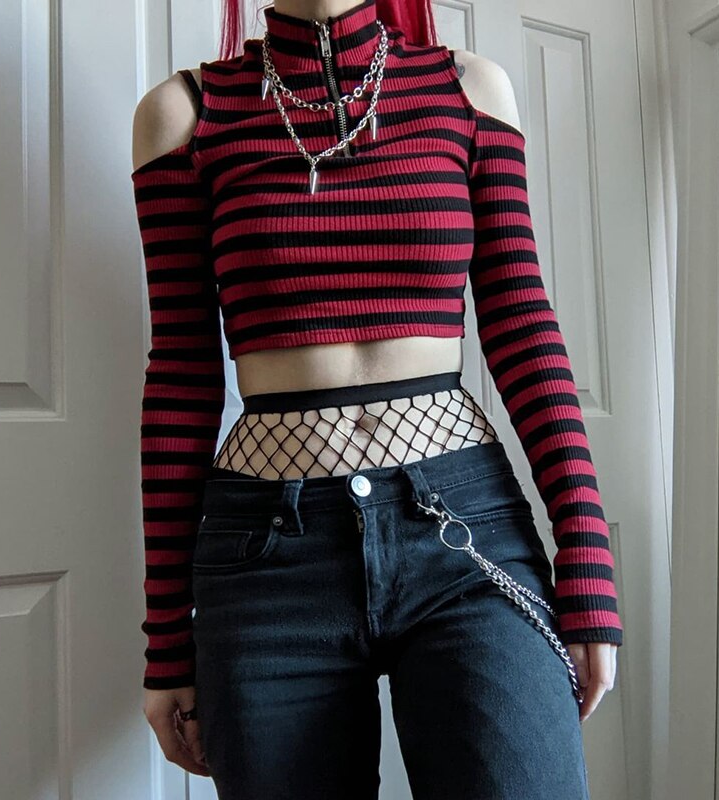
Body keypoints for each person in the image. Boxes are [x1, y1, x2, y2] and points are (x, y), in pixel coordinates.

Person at [130, 0, 622, 796]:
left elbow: (524, 328)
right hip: (268, 557)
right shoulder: (185, 115)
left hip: (465, 534)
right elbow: (182, 377)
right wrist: (165, 640)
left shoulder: (469, 91)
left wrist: (588, 563)